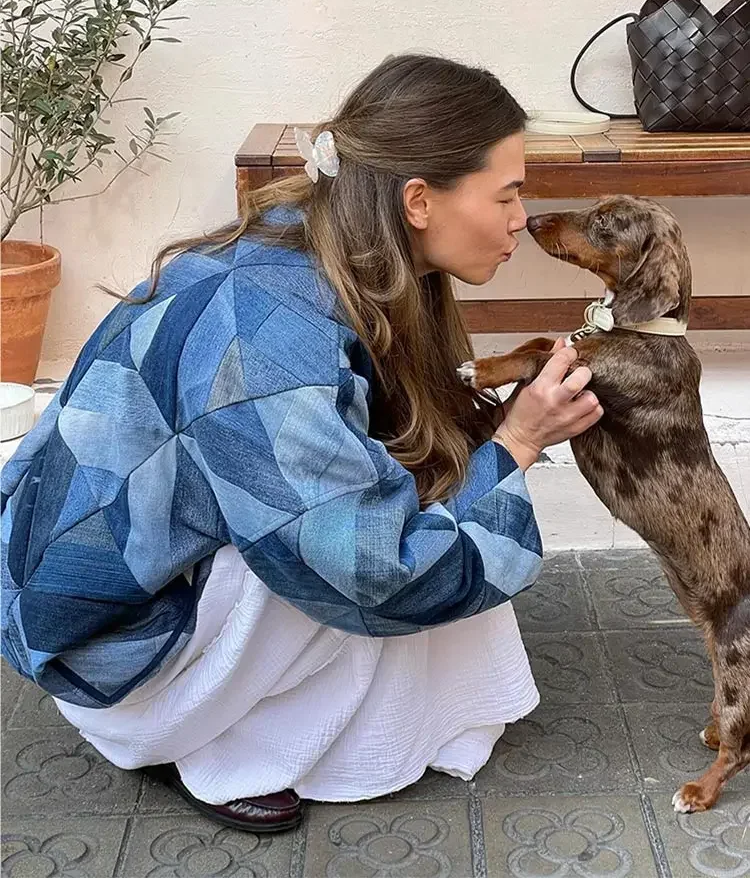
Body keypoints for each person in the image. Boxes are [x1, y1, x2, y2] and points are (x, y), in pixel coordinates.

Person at [1, 54, 602, 833]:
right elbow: (376, 570)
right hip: (109, 640)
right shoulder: (267, 337)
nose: (524, 216)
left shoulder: (313, 245)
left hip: (112, 578)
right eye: (508, 193)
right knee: (344, 538)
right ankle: (218, 749)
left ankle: (282, 719)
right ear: (419, 200)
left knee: (384, 486)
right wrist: (516, 443)